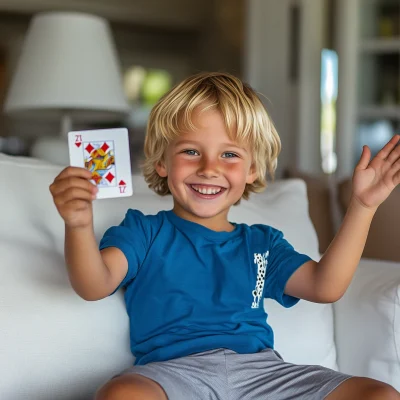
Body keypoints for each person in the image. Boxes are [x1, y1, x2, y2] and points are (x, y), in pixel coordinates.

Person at [50, 72, 400, 400]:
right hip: (173, 375)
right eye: (190, 151)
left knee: (381, 394)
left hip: (264, 374)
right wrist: (78, 224)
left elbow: (326, 287)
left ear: (251, 170)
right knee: (122, 394)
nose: (209, 168)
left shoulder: (263, 243)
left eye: (229, 154)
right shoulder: (142, 231)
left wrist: (363, 207)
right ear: (162, 162)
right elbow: (93, 284)